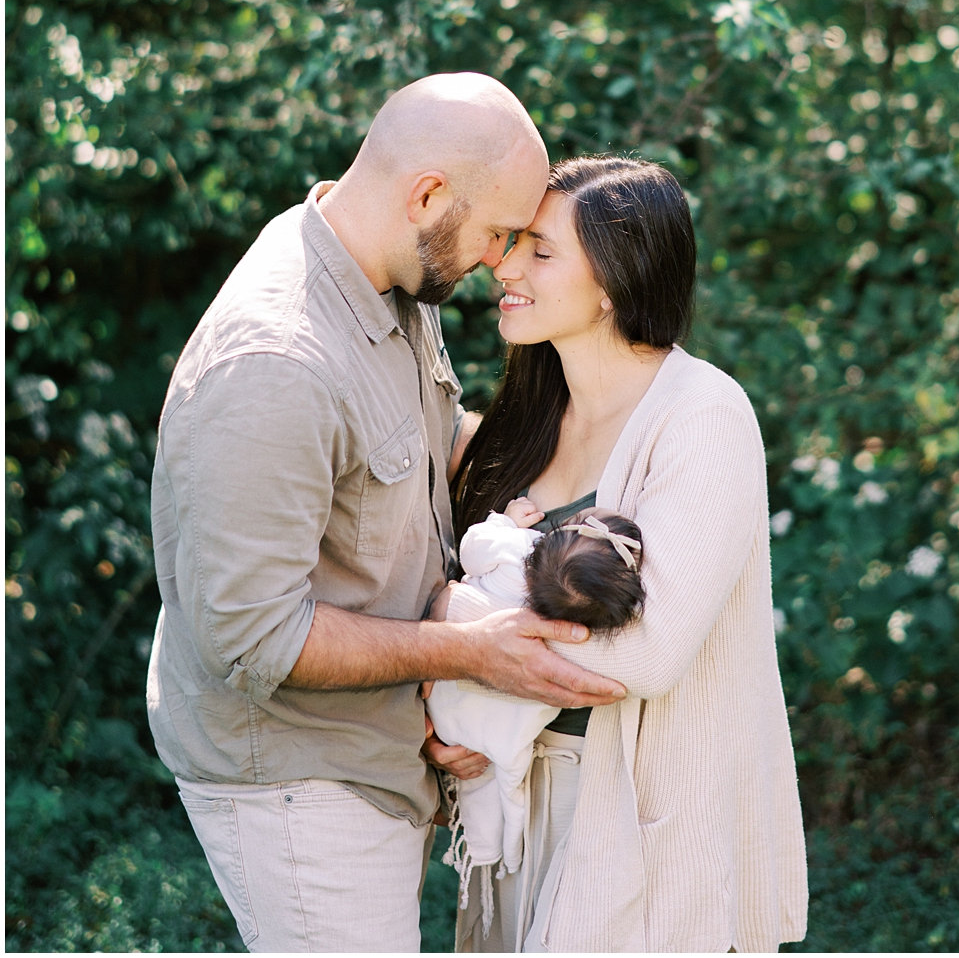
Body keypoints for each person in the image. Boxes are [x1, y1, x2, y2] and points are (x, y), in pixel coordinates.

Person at [145, 75, 626, 955]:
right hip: (296, 780)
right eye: (493, 234)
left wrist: (610, 453)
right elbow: (254, 639)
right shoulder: (275, 363)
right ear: (428, 196)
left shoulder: (387, 282)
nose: (498, 261)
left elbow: (431, 453)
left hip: (376, 749)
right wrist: (472, 655)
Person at [450, 155, 808, 953]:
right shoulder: (529, 416)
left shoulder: (704, 416)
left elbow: (645, 656)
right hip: (515, 784)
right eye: (515, 245)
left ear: (614, 280)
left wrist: (462, 636)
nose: (505, 265)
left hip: (638, 809)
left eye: (541, 251)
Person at [426, 502, 644, 921]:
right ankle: (501, 849)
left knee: (494, 763)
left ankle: (490, 845)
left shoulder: (513, 548)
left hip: (445, 692)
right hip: (501, 720)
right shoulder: (571, 627)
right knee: (505, 770)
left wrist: (504, 523)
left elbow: (471, 547)